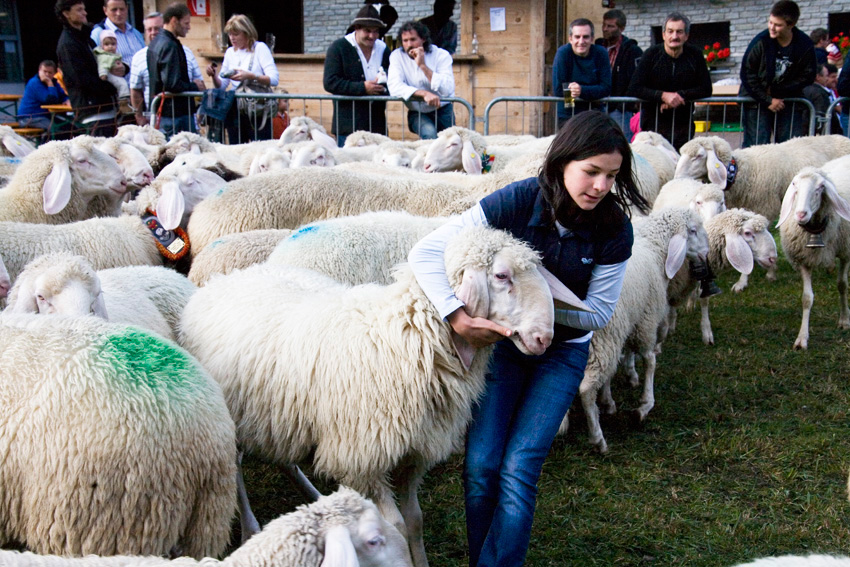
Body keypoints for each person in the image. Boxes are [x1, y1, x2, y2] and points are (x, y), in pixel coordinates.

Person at [408, 110, 649, 567]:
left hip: (562, 356)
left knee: (519, 468)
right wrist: (457, 317)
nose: (600, 186)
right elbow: (425, 251)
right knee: (482, 466)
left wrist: (532, 289)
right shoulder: (518, 201)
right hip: (503, 348)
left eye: (611, 176)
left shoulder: (615, 228)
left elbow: (596, 313)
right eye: (591, 171)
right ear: (563, 162)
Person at [628, 12, 712, 150]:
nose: (674, 36)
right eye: (670, 31)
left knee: (680, 168)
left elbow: (706, 88)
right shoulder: (651, 55)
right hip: (653, 126)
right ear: (663, 35)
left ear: (686, 35)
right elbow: (634, 87)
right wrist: (662, 96)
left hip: (683, 126)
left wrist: (679, 96)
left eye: (679, 32)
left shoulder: (695, 55)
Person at [739, 0, 816, 147]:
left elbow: (808, 75)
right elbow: (747, 74)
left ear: (791, 25)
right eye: (770, 22)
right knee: (756, 148)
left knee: (790, 147)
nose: (772, 28)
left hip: (788, 100)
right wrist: (768, 100)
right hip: (756, 100)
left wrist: (778, 91)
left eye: (778, 25)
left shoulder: (804, 44)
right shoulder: (760, 41)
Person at [323, 5, 391, 147]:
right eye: (367, 31)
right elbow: (330, 82)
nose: (372, 36)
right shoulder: (338, 47)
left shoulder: (384, 49)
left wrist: (383, 87)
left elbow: (393, 79)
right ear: (356, 28)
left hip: (377, 124)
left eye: (376, 31)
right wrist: (362, 88)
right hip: (348, 125)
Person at [205, 13, 279, 142]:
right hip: (235, 109)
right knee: (237, 147)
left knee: (260, 147)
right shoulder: (229, 52)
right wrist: (214, 76)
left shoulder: (260, 48)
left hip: (257, 109)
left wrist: (251, 76)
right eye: (229, 34)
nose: (232, 38)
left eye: (236, 34)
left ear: (247, 33)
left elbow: (273, 79)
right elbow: (222, 85)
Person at [130, 11, 203, 126]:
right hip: (164, 116)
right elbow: (136, 90)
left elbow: (200, 83)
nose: (153, 33)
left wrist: (201, 111)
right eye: (149, 29)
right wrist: (139, 117)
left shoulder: (185, 51)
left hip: (183, 115)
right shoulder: (140, 56)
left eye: (157, 28)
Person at [55, 0, 117, 135]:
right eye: (79, 10)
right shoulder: (67, 44)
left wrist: (121, 68)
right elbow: (81, 78)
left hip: (105, 106)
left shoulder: (85, 37)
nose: (85, 13)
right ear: (66, 14)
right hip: (92, 110)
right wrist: (111, 88)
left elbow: (102, 59)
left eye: (84, 9)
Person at [387, 20, 455, 140]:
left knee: (449, 141)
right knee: (429, 134)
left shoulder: (441, 55)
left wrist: (423, 66)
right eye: (405, 41)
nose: (409, 44)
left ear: (423, 39)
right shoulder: (397, 56)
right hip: (417, 111)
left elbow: (448, 89)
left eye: (413, 39)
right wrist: (424, 94)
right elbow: (394, 86)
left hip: (443, 109)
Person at [148, 2, 197, 137]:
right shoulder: (169, 45)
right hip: (175, 115)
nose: (189, 27)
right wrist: (195, 86)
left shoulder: (155, 41)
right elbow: (172, 84)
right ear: (174, 21)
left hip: (164, 113)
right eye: (186, 23)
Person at [552, 18, 612, 128]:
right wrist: (589, 92)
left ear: (592, 38)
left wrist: (581, 90)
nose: (581, 41)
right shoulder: (563, 53)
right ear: (570, 39)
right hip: (568, 115)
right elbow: (558, 89)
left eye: (585, 37)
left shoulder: (601, 53)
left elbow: (606, 87)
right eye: (577, 37)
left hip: (595, 115)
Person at [596, 9, 643, 140]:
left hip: (620, 109)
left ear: (621, 28)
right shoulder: (597, 47)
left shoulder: (632, 51)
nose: (605, 29)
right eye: (604, 25)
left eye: (610, 26)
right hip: (597, 105)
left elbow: (637, 79)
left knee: (621, 144)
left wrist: (624, 104)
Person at [90, 0, 145, 69]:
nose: (118, 13)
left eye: (122, 9)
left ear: (127, 8)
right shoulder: (98, 33)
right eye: (114, 10)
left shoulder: (135, 33)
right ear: (105, 10)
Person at [17, 60, 69, 131]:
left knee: (69, 125)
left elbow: (62, 95)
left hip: (45, 116)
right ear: (39, 71)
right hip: (29, 118)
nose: (47, 74)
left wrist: (66, 100)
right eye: (44, 71)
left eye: (50, 72)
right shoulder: (34, 83)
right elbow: (51, 100)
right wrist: (50, 84)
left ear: (54, 73)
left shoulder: (55, 82)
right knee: (55, 129)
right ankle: (45, 141)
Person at [94, 29, 131, 114]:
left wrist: (124, 67)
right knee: (122, 84)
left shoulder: (114, 55)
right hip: (108, 74)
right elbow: (102, 65)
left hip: (114, 73)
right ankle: (123, 103)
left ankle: (124, 103)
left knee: (122, 85)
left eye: (113, 44)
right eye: (107, 44)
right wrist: (103, 74)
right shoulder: (104, 55)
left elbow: (121, 62)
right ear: (102, 46)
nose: (110, 46)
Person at [803, 63, 841, 134]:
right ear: (818, 77)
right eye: (826, 76)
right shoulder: (819, 94)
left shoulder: (805, 89)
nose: (827, 79)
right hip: (820, 136)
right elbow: (820, 117)